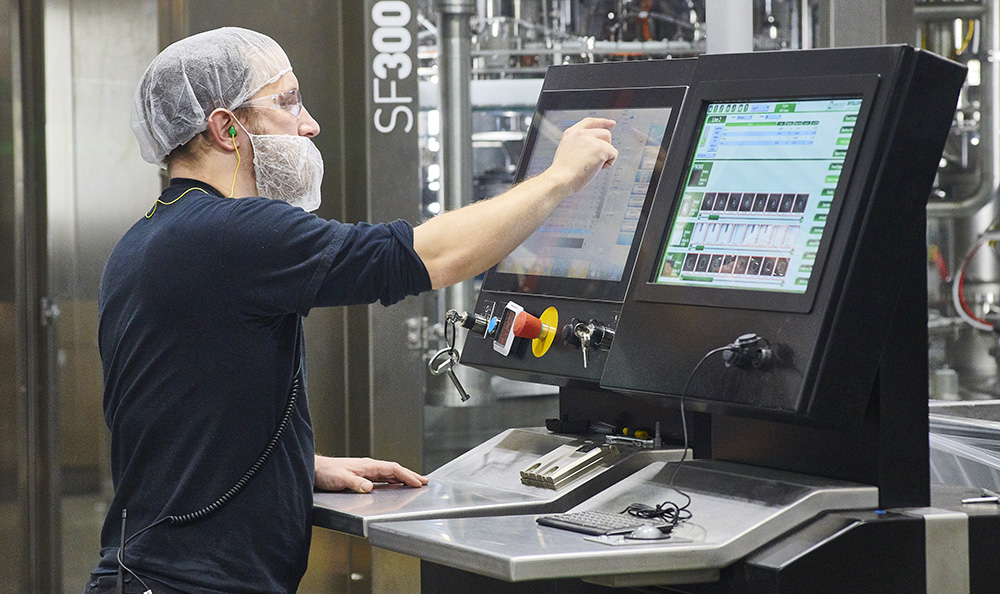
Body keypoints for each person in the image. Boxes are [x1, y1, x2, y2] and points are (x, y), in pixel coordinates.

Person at [84, 27, 617, 594]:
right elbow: (431, 256)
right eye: (288, 102)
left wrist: (294, 464)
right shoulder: (231, 233)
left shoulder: (148, 238)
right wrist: (560, 178)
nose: (309, 124)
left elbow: (175, 413)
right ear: (226, 128)